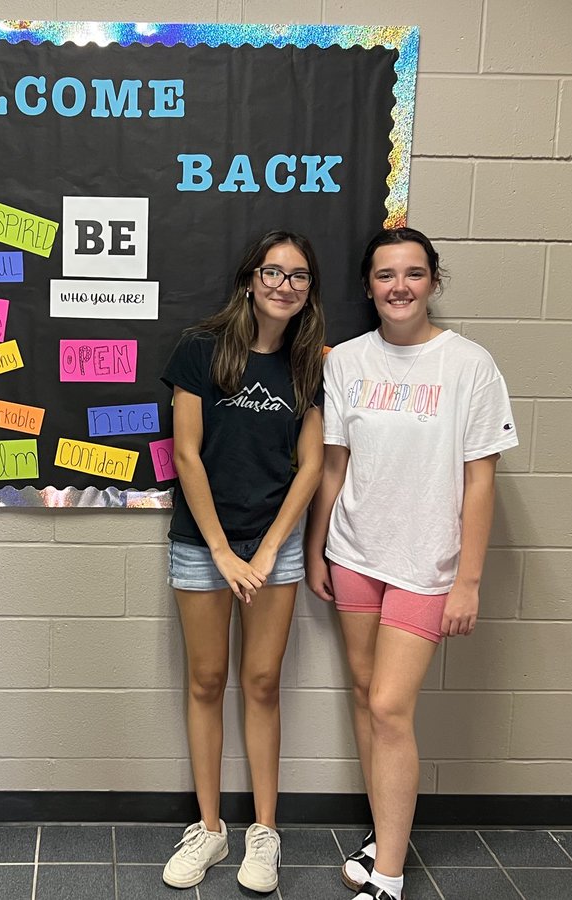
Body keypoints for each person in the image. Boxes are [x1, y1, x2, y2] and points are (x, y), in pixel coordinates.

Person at [305, 227, 518, 900]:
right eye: (386, 274)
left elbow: (481, 481)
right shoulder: (346, 364)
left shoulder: (469, 365)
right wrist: (318, 547)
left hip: (427, 564)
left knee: (392, 707)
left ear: (433, 281)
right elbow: (335, 465)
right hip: (355, 554)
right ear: (368, 286)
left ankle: (389, 877)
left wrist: (469, 581)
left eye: (414, 273)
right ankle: (383, 834)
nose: (400, 286)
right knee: (369, 701)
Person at [160, 230, 326, 893]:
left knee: (261, 684)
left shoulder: (311, 362)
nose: (285, 285)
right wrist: (226, 552)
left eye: (300, 277)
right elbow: (186, 454)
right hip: (205, 547)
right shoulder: (200, 348)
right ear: (250, 280)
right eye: (274, 272)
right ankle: (209, 829)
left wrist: (268, 548)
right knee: (206, 682)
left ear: (310, 291)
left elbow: (311, 465)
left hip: (273, 551)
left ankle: (264, 833)